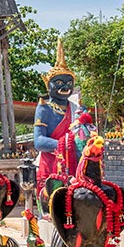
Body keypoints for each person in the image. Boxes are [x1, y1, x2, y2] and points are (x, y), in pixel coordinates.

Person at [33, 39, 79, 205]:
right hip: (51, 163)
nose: (65, 87)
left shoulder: (77, 109)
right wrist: (64, 144)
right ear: (49, 85)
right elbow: (39, 141)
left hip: (74, 163)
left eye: (69, 83)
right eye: (59, 83)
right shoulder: (44, 108)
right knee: (52, 203)